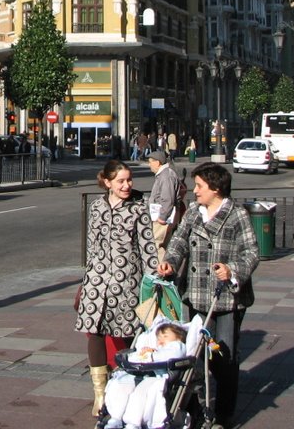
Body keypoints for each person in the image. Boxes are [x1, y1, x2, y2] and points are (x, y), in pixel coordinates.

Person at [157, 162, 258, 428]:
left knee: (224, 358)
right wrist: (170, 261)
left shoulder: (236, 214)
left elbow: (251, 252)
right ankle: (199, 407)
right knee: (195, 355)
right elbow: (178, 240)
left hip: (225, 299)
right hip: (195, 294)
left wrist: (232, 269)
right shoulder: (193, 211)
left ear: (215, 188)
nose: (195, 190)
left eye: (200, 186)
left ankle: (224, 413)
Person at [75, 160, 158, 416]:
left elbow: (148, 248)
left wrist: (152, 281)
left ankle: (125, 389)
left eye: (129, 180)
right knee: (95, 331)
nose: (127, 185)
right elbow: (91, 246)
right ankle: (100, 394)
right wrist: (87, 278)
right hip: (97, 281)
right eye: (121, 181)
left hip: (126, 282)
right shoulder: (97, 206)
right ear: (107, 182)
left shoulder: (138, 207)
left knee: (126, 334)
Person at [103, 321, 188, 429]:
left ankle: (133, 423)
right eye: (158, 338)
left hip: (157, 378)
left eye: (165, 336)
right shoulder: (157, 350)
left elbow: (172, 354)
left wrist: (151, 355)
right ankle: (116, 418)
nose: (160, 340)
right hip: (142, 375)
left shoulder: (177, 346)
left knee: (139, 395)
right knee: (120, 386)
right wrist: (137, 356)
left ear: (179, 336)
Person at [146, 150, 181, 261]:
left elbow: (167, 198)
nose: (149, 164)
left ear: (157, 163)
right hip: (162, 216)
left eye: (150, 162)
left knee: (156, 245)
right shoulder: (164, 174)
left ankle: (162, 271)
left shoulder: (166, 176)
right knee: (163, 244)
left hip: (162, 217)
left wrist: (162, 217)